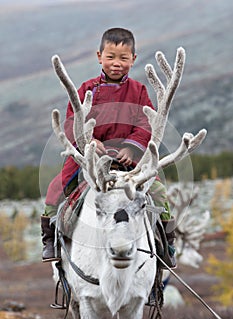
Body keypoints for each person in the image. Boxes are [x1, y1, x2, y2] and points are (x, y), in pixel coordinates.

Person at [41, 28, 176, 272]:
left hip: (129, 161)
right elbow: (73, 120)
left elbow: (147, 122)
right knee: (55, 188)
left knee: (158, 190)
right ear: (99, 56)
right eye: (111, 57)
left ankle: (167, 242)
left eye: (123, 58)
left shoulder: (139, 91)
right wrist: (90, 141)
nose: (116, 64)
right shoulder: (85, 89)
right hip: (92, 158)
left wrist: (132, 148)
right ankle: (50, 238)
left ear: (133, 59)